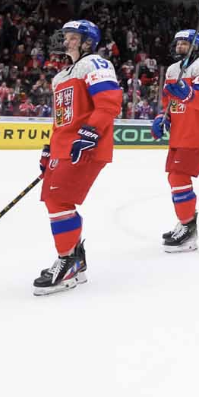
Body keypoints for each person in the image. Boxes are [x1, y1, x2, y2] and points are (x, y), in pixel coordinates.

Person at [32, 19, 122, 295]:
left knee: (58, 200)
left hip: (84, 145)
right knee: (57, 201)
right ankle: (75, 259)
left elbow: (109, 102)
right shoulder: (61, 75)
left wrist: (90, 133)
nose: (66, 40)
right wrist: (50, 148)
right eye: (66, 36)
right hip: (64, 146)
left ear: (87, 42)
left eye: (72, 37)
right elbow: (61, 119)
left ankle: (67, 262)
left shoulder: (96, 63)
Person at [154, 29, 199, 253]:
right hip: (179, 133)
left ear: (195, 45)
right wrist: (162, 118)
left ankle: (189, 228)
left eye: (184, 42)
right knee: (174, 177)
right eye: (178, 42)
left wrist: (186, 93)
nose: (179, 46)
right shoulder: (172, 69)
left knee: (179, 177)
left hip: (197, 132)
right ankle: (184, 222)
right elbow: (168, 101)